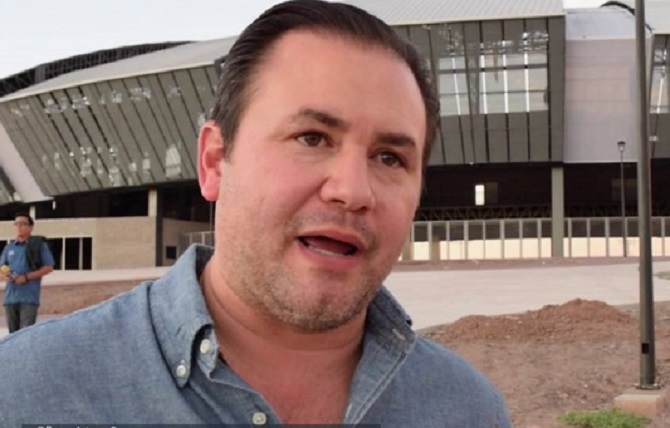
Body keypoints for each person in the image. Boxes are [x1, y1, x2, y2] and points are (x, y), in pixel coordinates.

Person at [0, 1, 511, 426]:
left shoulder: (469, 411)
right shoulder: (26, 394)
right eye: (312, 138)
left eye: (390, 158)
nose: (354, 191)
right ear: (214, 161)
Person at [1, 212, 54, 334]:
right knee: (13, 336)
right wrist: (8, 276)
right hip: (10, 298)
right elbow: (2, 268)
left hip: (29, 298)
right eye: (16, 224)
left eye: (23, 224)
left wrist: (26, 277)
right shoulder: (9, 248)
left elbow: (48, 267)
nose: (19, 227)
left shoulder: (38, 245)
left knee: (25, 334)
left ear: (31, 227)